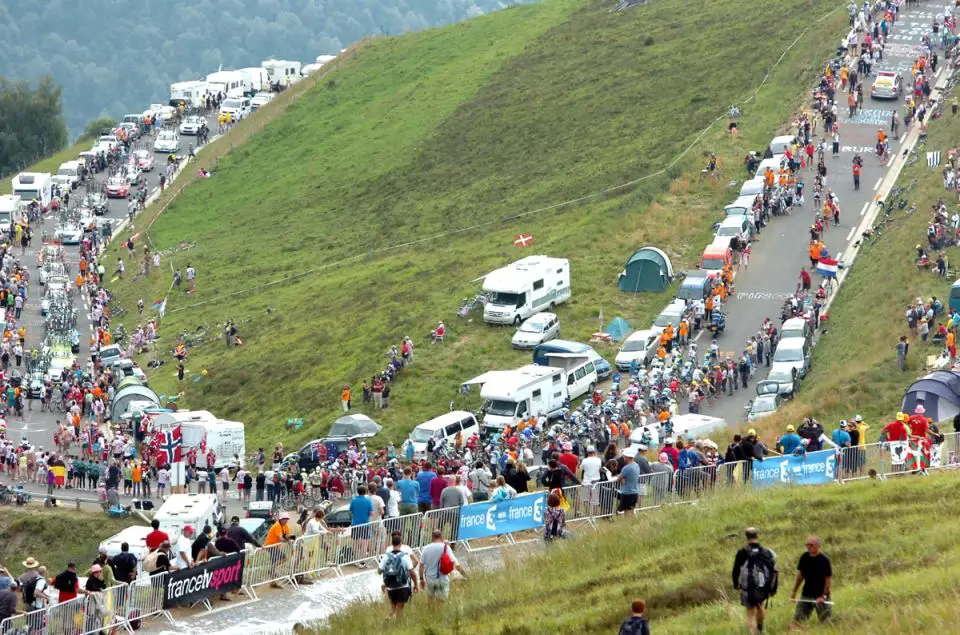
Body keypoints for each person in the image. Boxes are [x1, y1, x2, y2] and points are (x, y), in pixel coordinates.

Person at [732, 527, 778, 635]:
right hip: (763, 586)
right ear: (757, 536)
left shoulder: (742, 552)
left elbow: (735, 570)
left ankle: (753, 633)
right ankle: (760, 629)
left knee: (750, 612)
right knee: (759, 606)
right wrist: (772, 587)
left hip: (748, 587)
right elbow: (773, 569)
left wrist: (736, 584)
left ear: (746, 537)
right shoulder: (767, 552)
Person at [790, 535, 833, 625]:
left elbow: (828, 580)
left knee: (826, 623)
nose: (808, 547)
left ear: (818, 546)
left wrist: (823, 596)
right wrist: (794, 591)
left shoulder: (825, 560)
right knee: (797, 620)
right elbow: (801, 575)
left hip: (821, 596)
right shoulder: (804, 557)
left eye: (811, 545)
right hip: (806, 594)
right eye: (807, 545)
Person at [419, 530, 468, 601]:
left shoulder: (426, 549)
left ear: (432, 537)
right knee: (441, 601)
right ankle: (439, 611)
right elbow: (455, 563)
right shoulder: (446, 548)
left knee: (430, 600)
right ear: (441, 537)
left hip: (430, 579)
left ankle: (431, 611)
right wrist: (464, 574)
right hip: (442, 578)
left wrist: (421, 579)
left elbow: (421, 565)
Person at [379, 532, 419, 617]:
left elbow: (379, 571)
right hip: (403, 584)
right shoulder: (405, 554)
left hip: (390, 585)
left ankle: (388, 619)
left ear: (391, 542)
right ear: (401, 542)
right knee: (400, 608)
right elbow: (414, 569)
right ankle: (398, 624)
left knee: (393, 606)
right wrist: (415, 583)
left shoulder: (387, 553)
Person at [616, 446, 641, 514]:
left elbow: (618, 479)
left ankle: (627, 523)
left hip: (627, 493)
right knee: (631, 511)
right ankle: (633, 524)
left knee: (622, 512)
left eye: (624, 456)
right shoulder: (636, 465)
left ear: (627, 457)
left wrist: (622, 478)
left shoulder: (626, 468)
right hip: (635, 492)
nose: (623, 458)